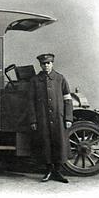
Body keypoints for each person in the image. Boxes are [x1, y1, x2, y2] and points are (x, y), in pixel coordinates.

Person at [28, 53, 73, 183]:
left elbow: (68, 100)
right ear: (40, 65)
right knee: (46, 145)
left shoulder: (60, 79)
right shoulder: (35, 80)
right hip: (43, 119)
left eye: (48, 63)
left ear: (52, 64)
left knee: (59, 144)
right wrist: (33, 120)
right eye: (43, 64)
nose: (46, 66)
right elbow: (30, 102)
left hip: (59, 118)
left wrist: (68, 118)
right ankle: (48, 171)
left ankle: (57, 172)